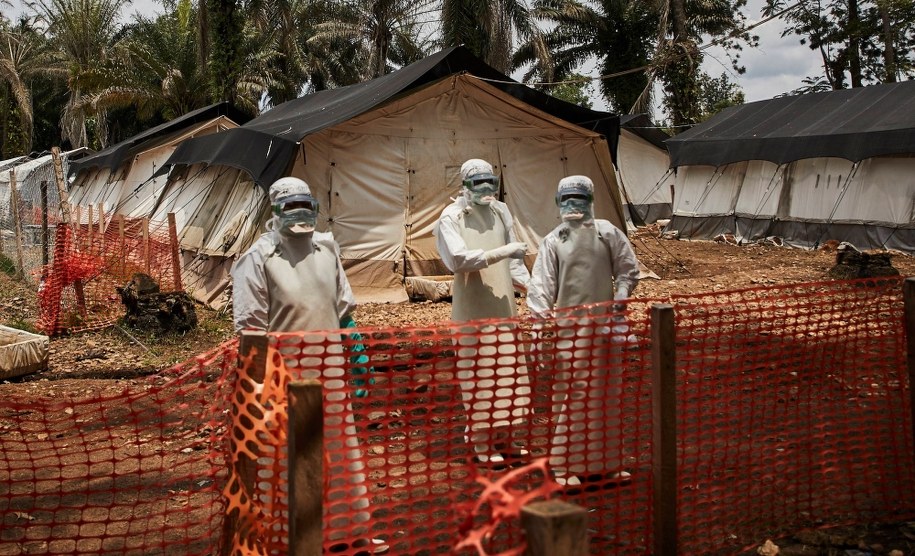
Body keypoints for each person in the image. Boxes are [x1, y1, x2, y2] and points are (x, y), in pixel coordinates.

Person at [232, 176, 386, 555]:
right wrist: (258, 385)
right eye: (292, 207)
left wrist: (354, 348)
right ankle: (286, 536)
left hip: (331, 369)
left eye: (306, 205)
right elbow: (251, 328)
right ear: (275, 211)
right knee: (285, 456)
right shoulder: (259, 258)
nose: (301, 214)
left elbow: (342, 307)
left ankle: (350, 531)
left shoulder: (327, 249)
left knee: (341, 450)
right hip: (284, 377)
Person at [526, 175, 640, 490]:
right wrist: (537, 329)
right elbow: (541, 288)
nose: (572, 204)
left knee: (607, 394)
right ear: (557, 202)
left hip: (605, 332)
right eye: (567, 199)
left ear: (590, 200)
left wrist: (619, 303)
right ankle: (565, 465)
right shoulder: (554, 240)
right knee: (573, 397)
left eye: (578, 198)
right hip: (569, 333)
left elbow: (628, 271)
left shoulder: (608, 233)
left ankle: (607, 463)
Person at [433, 158, 532, 467]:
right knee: (478, 376)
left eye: (491, 181)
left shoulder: (501, 211)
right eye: (479, 183)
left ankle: (505, 438)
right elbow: (460, 260)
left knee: (507, 373)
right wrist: (502, 252)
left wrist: (534, 290)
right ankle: (481, 442)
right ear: (465, 186)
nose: (487, 188)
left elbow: (514, 262)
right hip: (472, 308)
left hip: (503, 306)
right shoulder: (451, 217)